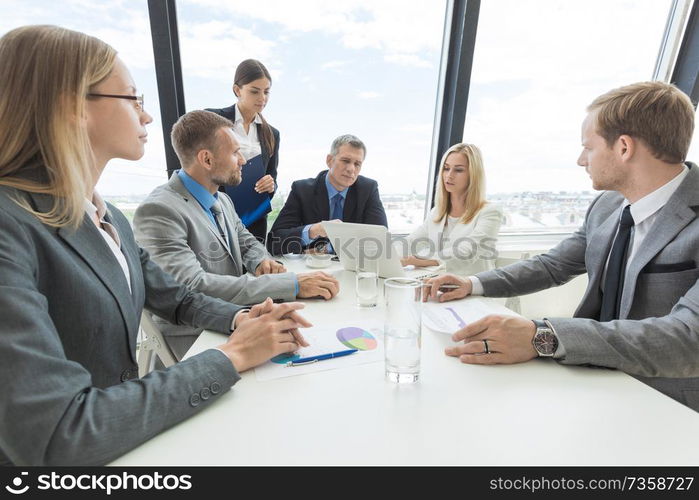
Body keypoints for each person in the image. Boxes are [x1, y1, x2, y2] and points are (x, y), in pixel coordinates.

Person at [0, 25, 312, 466]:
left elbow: (177, 298)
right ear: (72, 105)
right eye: (133, 99)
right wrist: (235, 354)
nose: (147, 118)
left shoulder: (109, 221)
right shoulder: (9, 226)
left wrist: (244, 317)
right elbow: (55, 435)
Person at [425, 81, 699, 412]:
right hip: (593, 381)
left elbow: (687, 338)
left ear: (624, 147)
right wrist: (472, 283)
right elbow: (553, 265)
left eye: (588, 147)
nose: (581, 159)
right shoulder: (607, 207)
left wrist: (542, 336)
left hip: (669, 405)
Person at [133, 110, 340, 359]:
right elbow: (194, 287)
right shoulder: (159, 210)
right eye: (234, 152)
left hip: (237, 317)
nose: (242, 160)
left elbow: (246, 241)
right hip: (195, 337)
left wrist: (260, 261)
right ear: (207, 160)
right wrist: (292, 284)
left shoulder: (222, 199)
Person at [266, 134, 388, 255]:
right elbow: (273, 242)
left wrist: (326, 249)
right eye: (345, 161)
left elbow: (380, 240)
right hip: (312, 269)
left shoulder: (368, 189)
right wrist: (311, 231)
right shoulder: (302, 190)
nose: (351, 169)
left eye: (357, 164)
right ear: (330, 160)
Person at [399, 143, 502, 275]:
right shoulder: (437, 212)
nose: (449, 175)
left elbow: (467, 251)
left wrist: (423, 260)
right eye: (446, 168)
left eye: (458, 170)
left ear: (474, 175)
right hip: (440, 286)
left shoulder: (490, 212)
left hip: (474, 289)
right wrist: (387, 255)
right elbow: (412, 241)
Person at [206, 59, 278, 242]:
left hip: (254, 220)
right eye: (255, 91)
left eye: (266, 92)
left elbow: (272, 178)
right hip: (217, 215)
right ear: (237, 90)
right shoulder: (213, 119)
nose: (262, 98)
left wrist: (271, 185)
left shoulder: (272, 134)